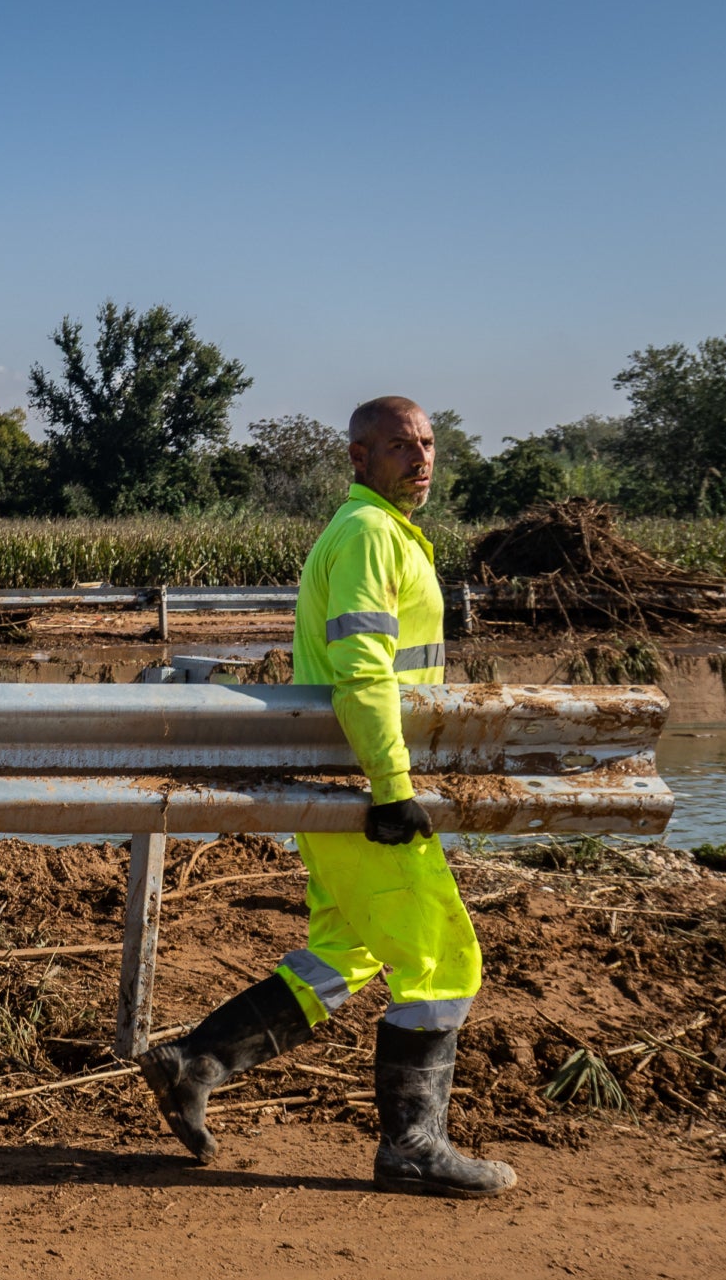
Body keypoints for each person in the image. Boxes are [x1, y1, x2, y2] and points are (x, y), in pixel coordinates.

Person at [138, 396, 514, 1197]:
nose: (420, 457)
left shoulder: (377, 533)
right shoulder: (372, 536)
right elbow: (365, 670)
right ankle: (412, 1147)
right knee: (444, 960)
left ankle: (195, 1062)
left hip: (340, 785)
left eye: (428, 442)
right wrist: (392, 786)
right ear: (357, 458)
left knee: (346, 951)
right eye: (399, 446)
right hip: (362, 788)